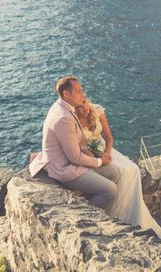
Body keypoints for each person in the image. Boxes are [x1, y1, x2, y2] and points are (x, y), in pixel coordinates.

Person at [76, 101, 161, 239]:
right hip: (87, 156)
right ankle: (116, 215)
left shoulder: (97, 110)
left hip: (105, 150)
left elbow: (108, 137)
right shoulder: (71, 118)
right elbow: (72, 144)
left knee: (133, 169)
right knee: (121, 172)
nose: (82, 107)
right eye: (78, 106)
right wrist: (88, 153)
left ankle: (133, 216)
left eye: (83, 102)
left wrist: (107, 153)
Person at [29, 77, 121, 210]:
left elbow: (71, 144)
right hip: (64, 168)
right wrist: (100, 161)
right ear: (66, 94)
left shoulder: (63, 106)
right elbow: (75, 158)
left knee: (115, 173)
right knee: (111, 190)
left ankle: (93, 200)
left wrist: (88, 153)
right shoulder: (63, 118)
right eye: (78, 91)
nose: (82, 94)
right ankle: (89, 215)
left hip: (71, 158)